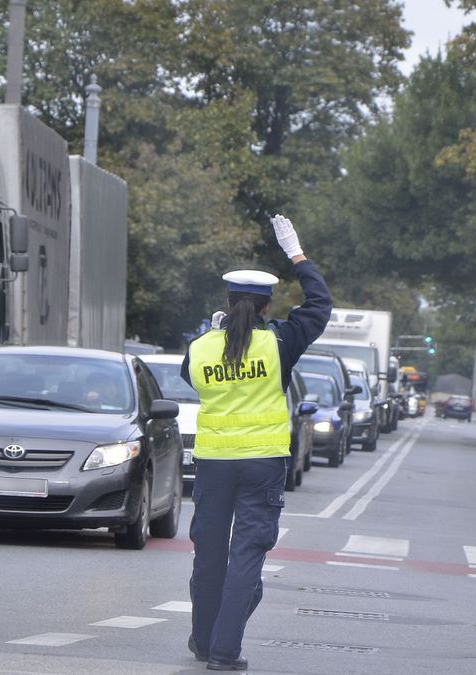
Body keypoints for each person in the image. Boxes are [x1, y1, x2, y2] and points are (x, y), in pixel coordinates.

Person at [180, 214, 331, 671]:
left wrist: (214, 334)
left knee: (209, 556)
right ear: (267, 306)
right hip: (263, 462)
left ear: (226, 303)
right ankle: (224, 651)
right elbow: (320, 305)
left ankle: (204, 642)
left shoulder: (200, 348)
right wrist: (296, 255)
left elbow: (190, 378)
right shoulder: (280, 342)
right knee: (246, 554)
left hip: (213, 463)